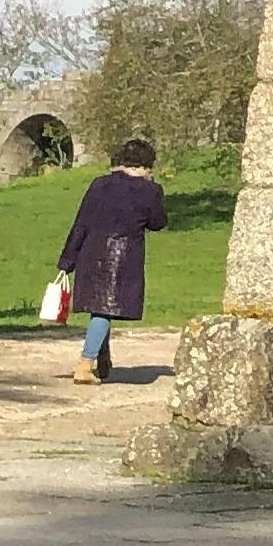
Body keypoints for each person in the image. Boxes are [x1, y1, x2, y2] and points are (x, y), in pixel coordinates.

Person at [58, 139, 168, 385]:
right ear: (146, 165)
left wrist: (67, 261)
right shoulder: (150, 190)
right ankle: (85, 364)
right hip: (123, 256)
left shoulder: (99, 185)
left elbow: (81, 223)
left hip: (91, 252)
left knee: (101, 308)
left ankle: (102, 357)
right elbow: (158, 223)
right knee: (105, 309)